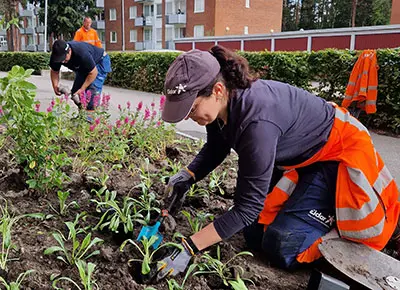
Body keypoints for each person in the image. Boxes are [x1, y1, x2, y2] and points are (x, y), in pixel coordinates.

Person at [155, 46, 400, 279]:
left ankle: (347, 234)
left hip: (334, 157)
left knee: (282, 244)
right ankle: (306, 207)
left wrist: (189, 247)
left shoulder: (256, 124)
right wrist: (188, 174)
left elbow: (247, 208)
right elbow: (217, 145)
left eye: (192, 108)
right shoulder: (224, 106)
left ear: (217, 90)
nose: (189, 116)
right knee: (254, 236)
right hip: (297, 154)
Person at [49, 39, 111, 113]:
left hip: (100, 61)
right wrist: (55, 86)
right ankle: (83, 116)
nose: (62, 62)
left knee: (91, 95)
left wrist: (82, 89)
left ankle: (92, 120)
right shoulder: (56, 56)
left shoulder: (81, 53)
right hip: (83, 67)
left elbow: (93, 73)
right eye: (60, 60)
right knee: (75, 94)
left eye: (64, 59)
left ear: (69, 51)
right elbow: (54, 71)